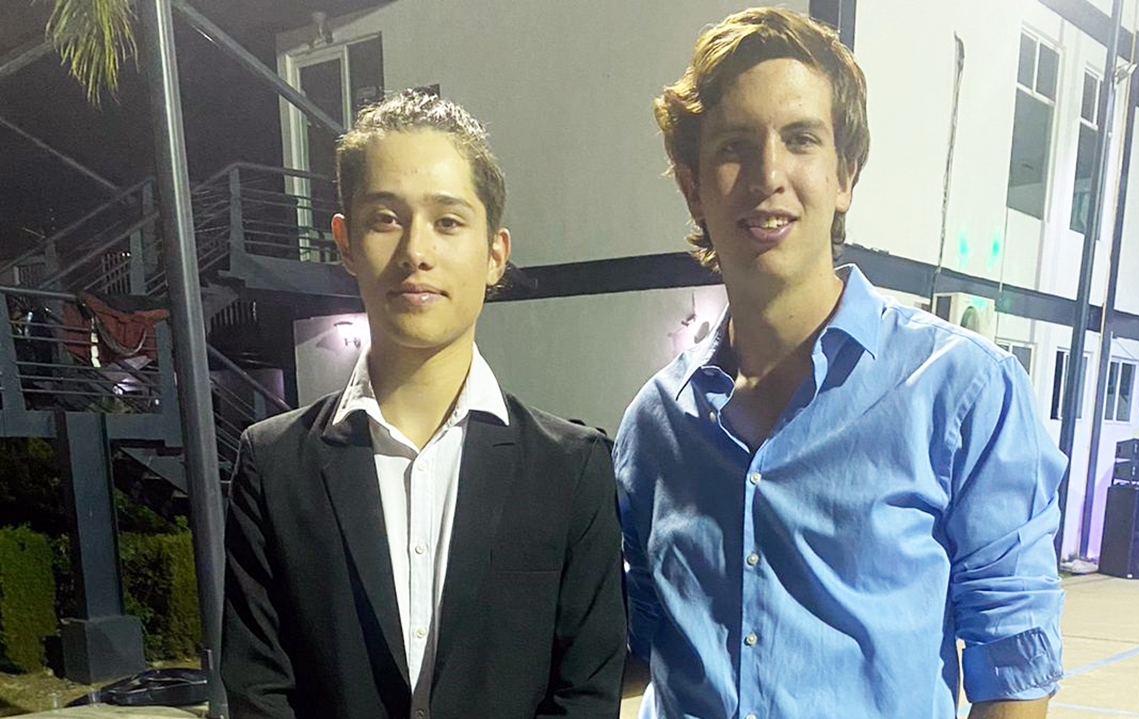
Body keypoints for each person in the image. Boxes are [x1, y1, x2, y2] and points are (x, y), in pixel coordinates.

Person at [614, 8, 1066, 718]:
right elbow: (638, 643)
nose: (769, 174)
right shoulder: (655, 425)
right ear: (693, 187)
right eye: (735, 146)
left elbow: (1012, 667)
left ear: (844, 176)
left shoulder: (963, 389)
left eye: (800, 140)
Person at [222, 88, 627, 719]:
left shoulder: (572, 467)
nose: (416, 250)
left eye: (448, 221)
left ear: (495, 254)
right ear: (345, 242)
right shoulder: (274, 465)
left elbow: (586, 694)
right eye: (386, 218)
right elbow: (258, 691)